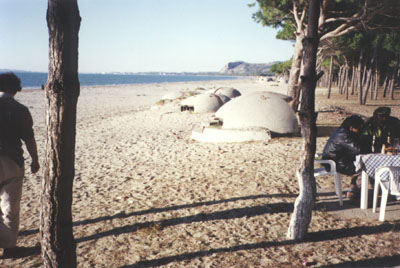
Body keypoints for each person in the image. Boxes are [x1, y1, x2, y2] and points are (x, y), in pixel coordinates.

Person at [0, 72, 40, 258]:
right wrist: (35, 160)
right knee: (11, 206)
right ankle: (9, 247)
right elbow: (29, 139)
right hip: (11, 161)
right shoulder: (20, 109)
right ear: (15, 89)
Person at [322, 115, 364, 200]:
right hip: (336, 163)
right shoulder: (344, 135)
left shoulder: (341, 131)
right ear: (351, 127)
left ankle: (353, 190)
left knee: (360, 166)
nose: (360, 130)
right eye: (359, 128)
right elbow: (358, 149)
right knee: (364, 169)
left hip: (335, 160)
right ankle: (354, 194)